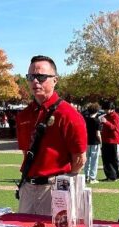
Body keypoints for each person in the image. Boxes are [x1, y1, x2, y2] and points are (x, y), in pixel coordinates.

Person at [15, 55, 87, 215]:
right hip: (27, 187)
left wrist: (63, 186)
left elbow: (80, 158)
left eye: (41, 77)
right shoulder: (24, 115)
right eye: (30, 77)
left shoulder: (68, 114)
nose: (35, 81)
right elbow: (26, 153)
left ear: (55, 80)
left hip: (55, 188)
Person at [99, 107, 119, 181]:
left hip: (113, 140)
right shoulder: (105, 116)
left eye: (107, 109)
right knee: (106, 159)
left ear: (112, 109)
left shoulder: (115, 116)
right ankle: (111, 176)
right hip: (105, 140)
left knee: (113, 159)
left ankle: (116, 175)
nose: (105, 110)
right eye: (105, 109)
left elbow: (115, 128)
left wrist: (106, 122)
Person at [84, 103, 102, 184]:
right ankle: (92, 178)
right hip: (95, 142)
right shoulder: (97, 121)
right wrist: (101, 142)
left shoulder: (85, 119)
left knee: (87, 160)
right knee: (94, 161)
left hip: (87, 142)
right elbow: (98, 134)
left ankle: (86, 176)